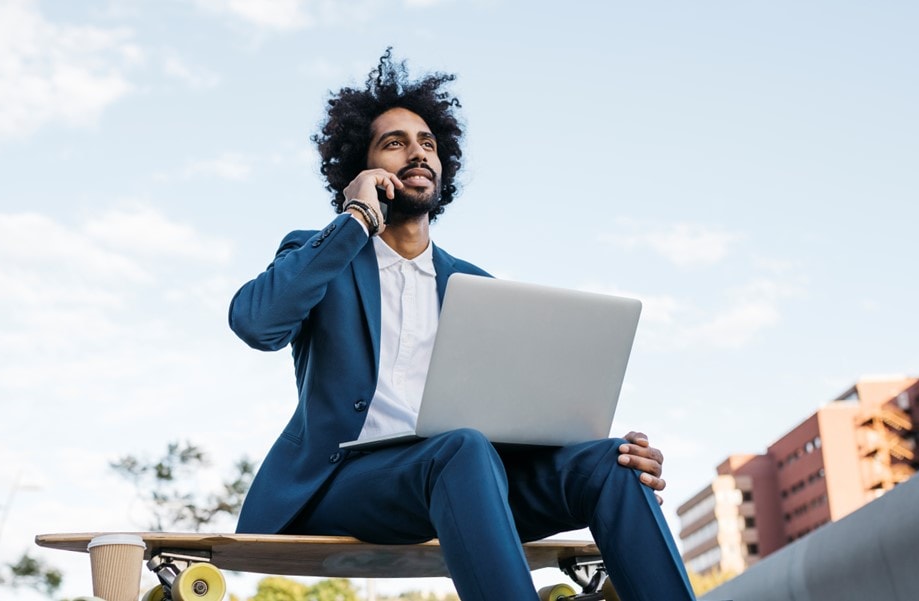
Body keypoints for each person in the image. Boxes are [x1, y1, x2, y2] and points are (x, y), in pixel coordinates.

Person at [229, 49, 696, 601]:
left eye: (427, 142)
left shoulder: (478, 288)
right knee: (463, 448)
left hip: (471, 481)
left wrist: (596, 445)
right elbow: (256, 324)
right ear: (364, 167)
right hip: (345, 481)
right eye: (395, 142)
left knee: (611, 463)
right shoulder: (321, 253)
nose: (417, 152)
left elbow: (521, 416)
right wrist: (354, 220)